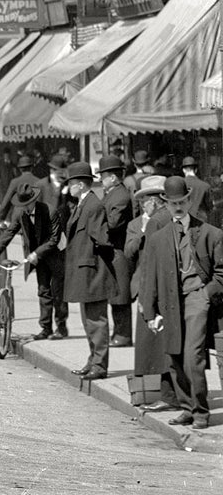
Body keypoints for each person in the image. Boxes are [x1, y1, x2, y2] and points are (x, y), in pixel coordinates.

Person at [137, 176, 223, 428]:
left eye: (182, 201)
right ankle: (186, 407)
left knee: (192, 357)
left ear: (189, 200)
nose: (177, 206)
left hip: (198, 299)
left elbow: (221, 272)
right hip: (170, 302)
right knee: (174, 358)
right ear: (166, 202)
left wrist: (206, 294)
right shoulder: (159, 238)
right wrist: (149, 312)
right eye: (172, 202)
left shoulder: (211, 233)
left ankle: (200, 413)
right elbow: (149, 276)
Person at [61, 161, 121, 381]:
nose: (69, 188)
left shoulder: (92, 206)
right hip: (84, 269)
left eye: (71, 184)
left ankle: (100, 365)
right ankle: (93, 360)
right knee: (88, 320)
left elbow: (102, 238)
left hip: (93, 271)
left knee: (96, 320)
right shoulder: (83, 203)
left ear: (80, 184)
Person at [0, 181, 67, 341]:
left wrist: (36, 253)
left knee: (58, 292)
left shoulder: (50, 211)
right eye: (22, 205)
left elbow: (54, 239)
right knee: (43, 291)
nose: (25, 208)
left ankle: (61, 327)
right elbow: (10, 232)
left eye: (27, 205)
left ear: (34, 201)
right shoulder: (20, 213)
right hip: (39, 257)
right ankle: (45, 328)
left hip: (55, 254)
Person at [126, 176, 177, 411]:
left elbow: (148, 263)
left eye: (145, 199)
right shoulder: (173, 216)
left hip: (156, 291)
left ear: (154, 201)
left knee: (157, 346)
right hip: (174, 289)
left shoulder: (155, 222)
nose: (142, 204)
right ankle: (175, 395)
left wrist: (146, 299)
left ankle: (168, 397)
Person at [97, 155, 135, 348]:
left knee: (120, 296)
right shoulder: (112, 194)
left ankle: (124, 335)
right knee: (115, 295)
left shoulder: (120, 196)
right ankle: (118, 333)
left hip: (119, 251)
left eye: (103, 176)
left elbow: (113, 223)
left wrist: (95, 225)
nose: (100, 180)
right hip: (113, 251)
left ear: (112, 177)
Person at [178, 157, 213, 224]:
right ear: (196, 170)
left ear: (183, 170)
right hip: (201, 222)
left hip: (183, 222)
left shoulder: (179, 185)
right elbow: (210, 206)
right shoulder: (205, 186)